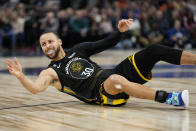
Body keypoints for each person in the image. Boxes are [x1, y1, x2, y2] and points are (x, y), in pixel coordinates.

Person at [7, 19, 196, 107]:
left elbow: (106, 43)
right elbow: (35, 89)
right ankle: (170, 98)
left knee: (153, 50)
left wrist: (120, 32)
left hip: (113, 75)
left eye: (50, 41)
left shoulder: (78, 50)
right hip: (102, 94)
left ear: (59, 42)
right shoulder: (51, 73)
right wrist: (21, 77)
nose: (47, 46)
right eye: (43, 44)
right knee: (115, 79)